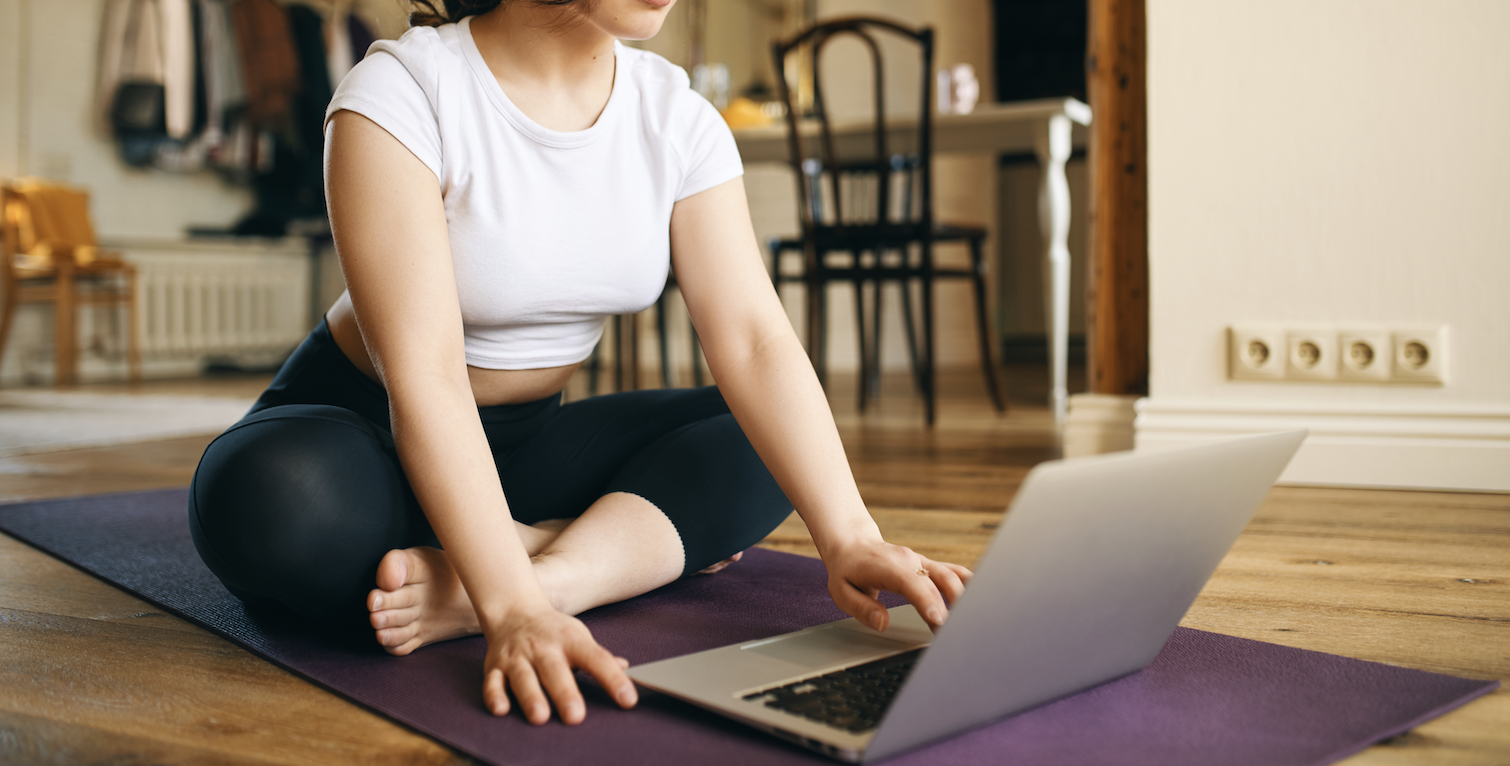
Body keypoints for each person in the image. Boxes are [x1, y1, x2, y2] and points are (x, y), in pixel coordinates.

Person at [188, 0, 972, 727]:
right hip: (361, 430)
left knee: (759, 439)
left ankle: (529, 574)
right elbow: (424, 378)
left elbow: (756, 342)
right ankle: (568, 551)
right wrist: (515, 617)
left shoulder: (676, 118)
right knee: (268, 501)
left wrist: (850, 535)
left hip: (525, 446)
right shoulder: (403, 91)